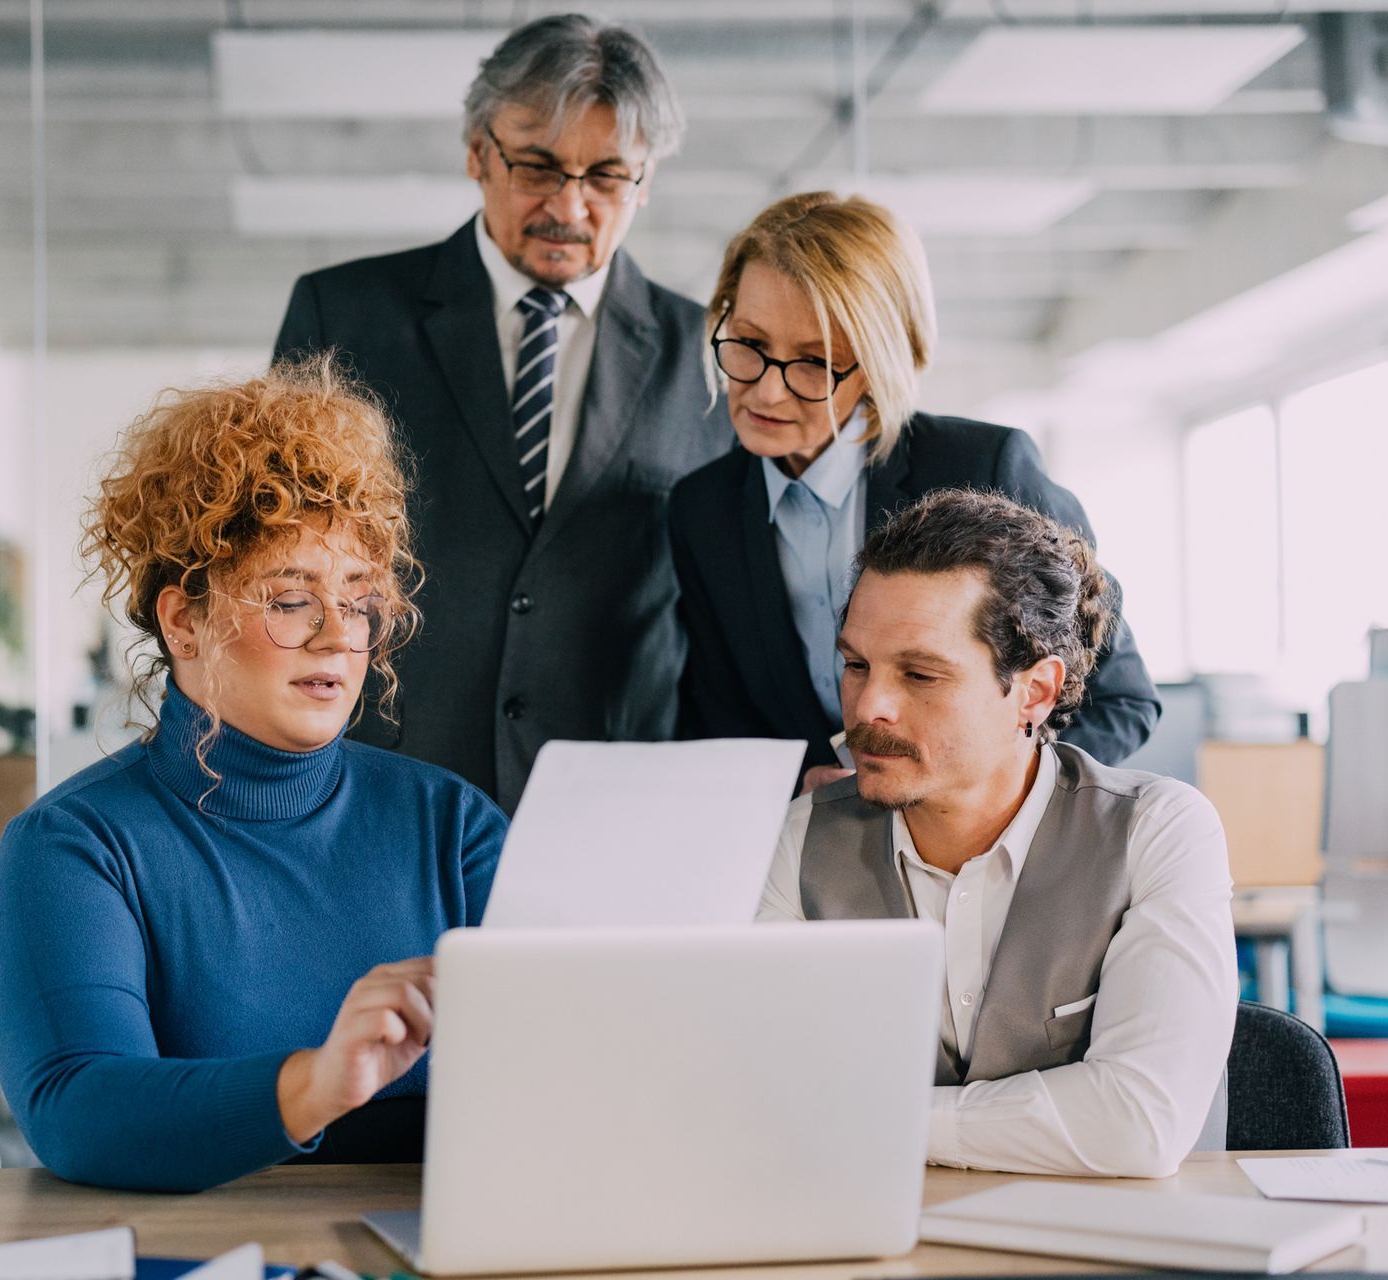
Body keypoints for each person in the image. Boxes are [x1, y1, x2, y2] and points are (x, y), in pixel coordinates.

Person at [0, 360, 506, 1193]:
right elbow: (79, 1108)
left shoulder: (455, 827)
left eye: (359, 597)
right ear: (184, 619)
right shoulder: (73, 848)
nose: (338, 633)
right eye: (291, 598)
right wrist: (318, 1084)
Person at [273, 14, 732, 814]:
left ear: (645, 179)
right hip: (386, 790)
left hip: (616, 805)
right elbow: (277, 562)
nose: (571, 205)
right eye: (538, 166)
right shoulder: (343, 317)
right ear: (478, 152)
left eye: (606, 176)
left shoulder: (710, 355)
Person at [759, 489, 1235, 1178]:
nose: (869, 707)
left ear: (1035, 693)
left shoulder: (1160, 832)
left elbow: (1137, 1122)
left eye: (920, 674)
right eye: (856, 665)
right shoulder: (796, 839)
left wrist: (872, 1120)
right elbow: (762, 1098)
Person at [669, 192, 1159, 791]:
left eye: (813, 362)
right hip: (813, 856)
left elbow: (1120, 700)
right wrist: (800, 786)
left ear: (879, 366)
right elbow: (722, 716)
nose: (766, 393)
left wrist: (976, 796)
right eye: (749, 344)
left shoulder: (984, 467)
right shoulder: (702, 511)